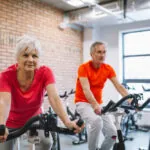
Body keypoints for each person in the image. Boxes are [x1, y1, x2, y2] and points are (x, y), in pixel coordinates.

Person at [0, 35, 83, 150]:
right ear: (17, 58)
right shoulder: (6, 75)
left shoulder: (45, 72)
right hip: (10, 121)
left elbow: (54, 98)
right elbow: (4, 102)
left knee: (46, 143)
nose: (30, 60)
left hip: (34, 121)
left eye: (34, 56)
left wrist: (67, 122)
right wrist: (1, 124)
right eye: (25, 55)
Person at [75, 41, 131, 150]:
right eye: (99, 52)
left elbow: (119, 86)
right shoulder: (83, 68)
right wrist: (95, 105)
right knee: (97, 121)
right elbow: (86, 89)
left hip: (99, 104)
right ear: (92, 54)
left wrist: (130, 98)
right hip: (83, 102)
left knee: (112, 133)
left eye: (104, 52)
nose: (102, 55)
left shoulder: (108, 68)